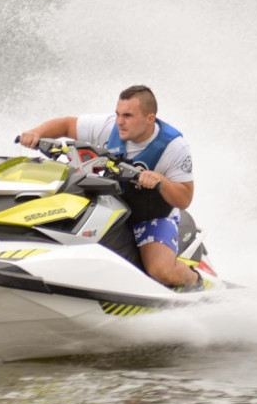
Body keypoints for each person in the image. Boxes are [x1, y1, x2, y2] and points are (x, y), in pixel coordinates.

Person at [18, 85, 202, 290]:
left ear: (150, 119)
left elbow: (184, 199)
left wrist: (161, 181)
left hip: (152, 215)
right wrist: (36, 133)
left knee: (161, 271)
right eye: (118, 114)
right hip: (110, 203)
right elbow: (66, 124)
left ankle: (195, 282)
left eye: (128, 116)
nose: (120, 121)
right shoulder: (108, 127)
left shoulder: (173, 146)